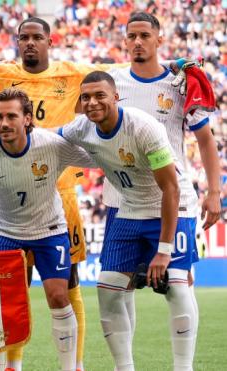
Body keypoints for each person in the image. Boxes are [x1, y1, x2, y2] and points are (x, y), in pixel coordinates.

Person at [58, 71, 198, 371]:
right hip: (129, 208)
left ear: (115, 97)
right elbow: (48, 137)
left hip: (174, 205)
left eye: (100, 95)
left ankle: (183, 367)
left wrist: (163, 250)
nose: (92, 102)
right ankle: (124, 368)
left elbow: (171, 189)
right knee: (107, 287)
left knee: (175, 286)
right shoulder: (82, 128)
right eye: (86, 97)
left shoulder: (143, 127)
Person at [106, 12, 220, 351]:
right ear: (124, 42)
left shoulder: (179, 83)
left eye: (145, 35)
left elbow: (206, 141)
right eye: (132, 36)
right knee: (116, 287)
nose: (138, 41)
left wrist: (214, 193)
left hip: (171, 197)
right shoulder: (111, 83)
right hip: (120, 199)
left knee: (177, 283)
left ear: (159, 40)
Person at [0, 88, 95, 371]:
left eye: (11, 116)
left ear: (27, 119)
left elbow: (94, 158)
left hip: (50, 229)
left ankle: (70, 367)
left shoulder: (50, 144)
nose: (4, 123)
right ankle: (5, 368)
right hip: (6, 232)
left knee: (59, 296)